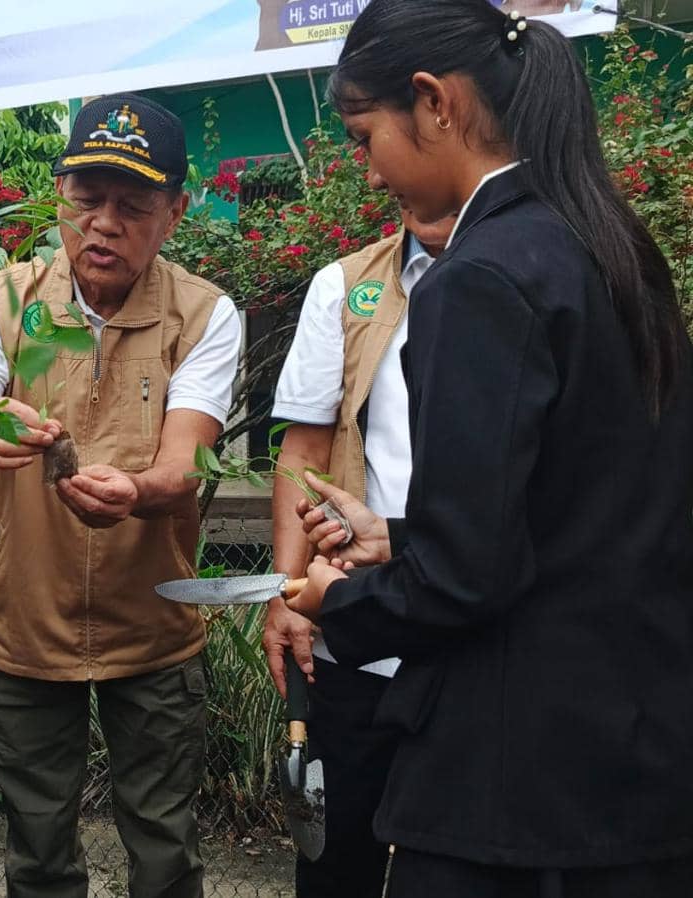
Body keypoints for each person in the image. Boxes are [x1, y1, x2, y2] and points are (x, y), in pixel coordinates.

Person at [282, 1, 693, 895]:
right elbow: (588, 510)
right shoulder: (611, 247)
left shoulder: (478, 278)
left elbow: (465, 578)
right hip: (636, 747)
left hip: (519, 781)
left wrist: (338, 599)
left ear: (434, 101)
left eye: (364, 137)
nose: (368, 171)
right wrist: (402, 537)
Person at [0, 93, 241, 897]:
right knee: (37, 855)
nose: (103, 224)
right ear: (59, 195)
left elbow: (184, 466)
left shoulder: (206, 314)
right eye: (86, 198)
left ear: (174, 213)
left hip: (154, 628)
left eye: (132, 206)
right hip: (24, 627)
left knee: (166, 851)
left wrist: (136, 491)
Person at [262, 207, 455, 898]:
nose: (377, 175)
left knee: (458, 862)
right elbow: (305, 447)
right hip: (354, 628)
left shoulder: (535, 269)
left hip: (475, 644)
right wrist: (288, 593)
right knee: (336, 857)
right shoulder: (347, 285)